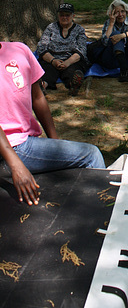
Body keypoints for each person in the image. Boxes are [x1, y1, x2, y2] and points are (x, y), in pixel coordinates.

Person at [0, 41, 105, 206]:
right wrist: (16, 165)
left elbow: (38, 97)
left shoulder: (19, 49)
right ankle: (101, 212)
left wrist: (55, 142)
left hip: (26, 142)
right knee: (91, 156)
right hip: (12, 148)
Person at [36, 3, 88, 96]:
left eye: (67, 15)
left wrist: (67, 62)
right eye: (61, 15)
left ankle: (73, 85)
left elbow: (82, 50)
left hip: (71, 59)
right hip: (52, 58)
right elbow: (41, 47)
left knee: (71, 71)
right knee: (49, 71)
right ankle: (43, 86)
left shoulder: (79, 30)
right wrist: (53, 60)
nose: (64, 17)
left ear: (73, 16)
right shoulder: (51, 27)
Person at [93, 0, 128, 83]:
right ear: (112, 13)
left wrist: (122, 35)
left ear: (126, 12)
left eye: (122, 11)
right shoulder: (108, 23)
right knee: (115, 34)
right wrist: (112, 23)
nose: (120, 15)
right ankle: (123, 70)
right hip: (112, 58)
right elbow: (104, 42)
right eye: (117, 12)